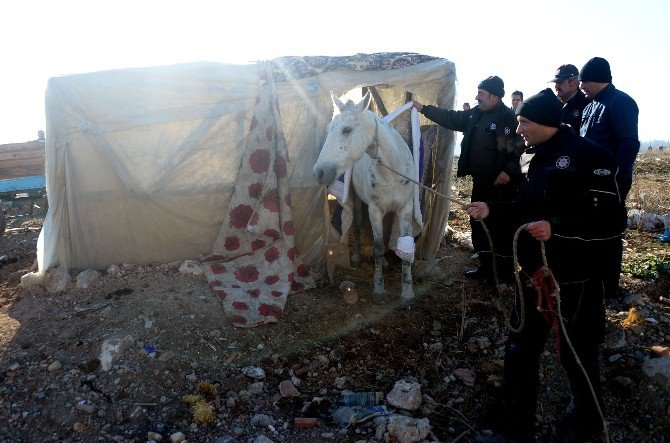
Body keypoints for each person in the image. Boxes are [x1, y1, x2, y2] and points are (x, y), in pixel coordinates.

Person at [468, 89, 626, 442]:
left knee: (577, 352)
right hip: (532, 274)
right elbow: (524, 208)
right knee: (520, 349)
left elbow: (612, 222)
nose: (518, 127)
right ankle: (516, 424)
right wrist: (491, 209)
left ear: (546, 123)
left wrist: (558, 228)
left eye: (524, 121)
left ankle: (589, 421)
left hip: (575, 277)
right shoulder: (532, 159)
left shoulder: (591, 158)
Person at [412, 76, 524, 281]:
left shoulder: (508, 117)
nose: (476, 97)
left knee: (498, 227)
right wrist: (423, 109)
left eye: (481, 94)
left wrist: (508, 170)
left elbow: (518, 148)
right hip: (480, 182)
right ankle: (485, 267)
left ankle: (503, 274)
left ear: (494, 96)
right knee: (478, 223)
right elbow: (452, 118)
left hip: (501, 187)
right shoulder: (476, 114)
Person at [579, 57, 640, 300]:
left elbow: (628, 144)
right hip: (589, 182)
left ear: (597, 79)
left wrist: (614, 176)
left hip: (610, 183)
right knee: (591, 231)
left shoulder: (620, 103)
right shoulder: (591, 104)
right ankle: (593, 281)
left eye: (584, 81)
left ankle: (609, 288)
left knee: (608, 233)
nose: (581, 86)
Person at [550, 63, 590, 131]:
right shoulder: (552, 103)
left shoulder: (586, 105)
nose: (556, 86)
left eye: (560, 82)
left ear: (574, 83)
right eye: (556, 83)